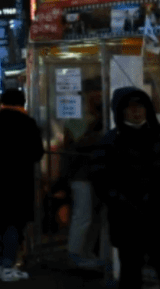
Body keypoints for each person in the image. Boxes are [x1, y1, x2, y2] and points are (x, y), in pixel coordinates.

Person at [90, 87, 160, 289]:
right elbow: (102, 181)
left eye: (140, 106)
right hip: (129, 220)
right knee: (131, 272)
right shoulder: (110, 142)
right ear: (121, 110)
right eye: (130, 107)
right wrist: (125, 204)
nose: (136, 111)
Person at [0, 90, 44, 282]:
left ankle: (1, 265)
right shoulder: (27, 123)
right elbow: (37, 153)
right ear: (22, 102)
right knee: (14, 224)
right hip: (19, 181)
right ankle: (8, 266)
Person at [62, 77, 104, 270]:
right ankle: (75, 254)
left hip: (93, 173)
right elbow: (78, 143)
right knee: (83, 215)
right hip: (82, 174)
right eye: (96, 91)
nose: (99, 95)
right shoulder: (79, 116)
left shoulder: (96, 115)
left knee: (93, 217)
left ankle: (86, 252)